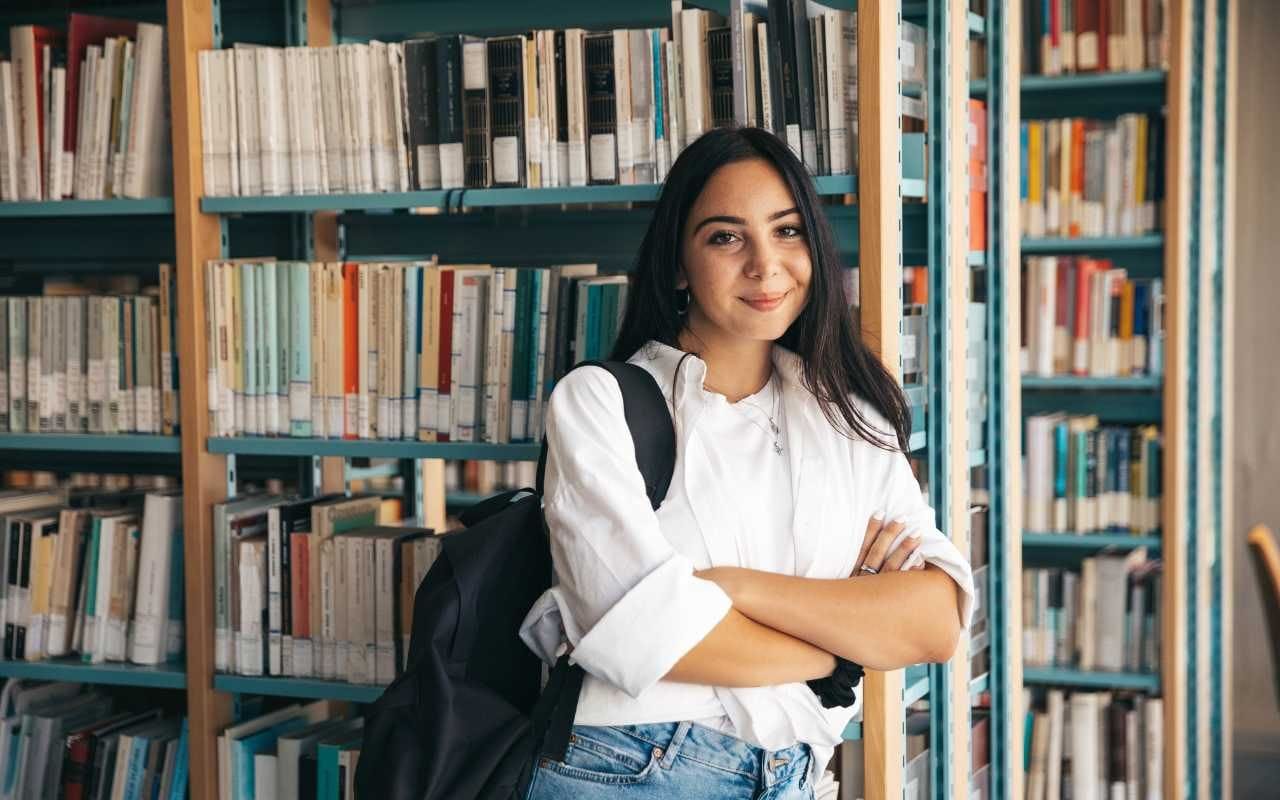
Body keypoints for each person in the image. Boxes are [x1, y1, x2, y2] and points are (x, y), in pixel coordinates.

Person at [518, 127, 975, 799]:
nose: (765, 265)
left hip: (793, 776)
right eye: (726, 237)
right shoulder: (600, 403)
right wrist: (844, 645)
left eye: (787, 231)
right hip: (628, 771)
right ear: (678, 264)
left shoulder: (851, 418)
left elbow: (935, 621)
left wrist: (734, 589)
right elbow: (646, 639)